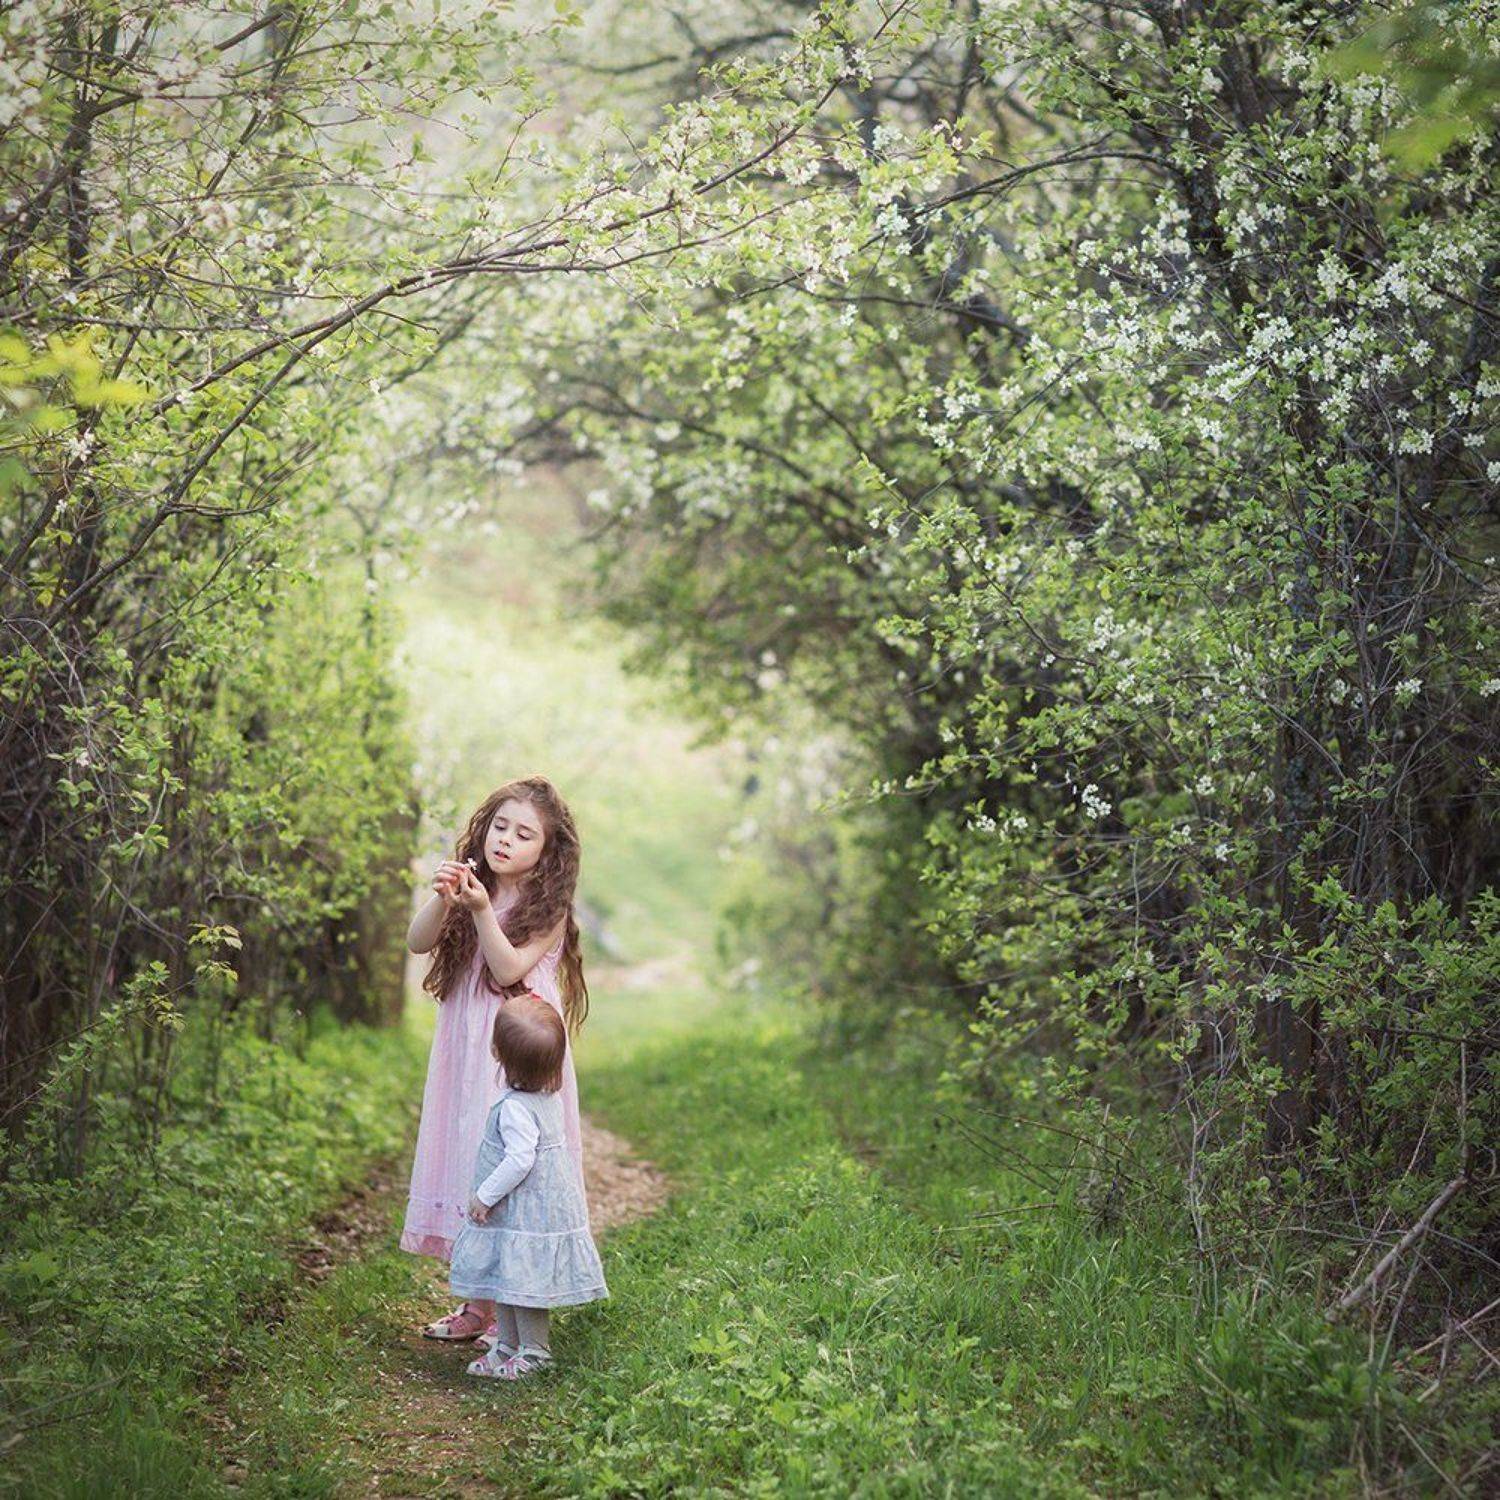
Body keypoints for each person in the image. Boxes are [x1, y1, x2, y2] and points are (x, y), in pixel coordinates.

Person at [401, 775, 591, 1350]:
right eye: (500, 826)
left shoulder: (547, 907)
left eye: (524, 834)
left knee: (510, 1162)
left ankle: (511, 1309)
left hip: (515, 1047)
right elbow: (417, 942)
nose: (506, 839)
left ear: (547, 851)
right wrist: (444, 896)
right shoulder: (471, 885)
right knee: (469, 1150)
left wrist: (483, 909)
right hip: (466, 1044)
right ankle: (477, 1304)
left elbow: (508, 969)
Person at [449, 995, 608, 1379]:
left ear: (496, 1052)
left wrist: (484, 1196)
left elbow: (519, 1160)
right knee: (506, 1277)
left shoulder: (515, 1109)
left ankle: (535, 1351)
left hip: (523, 1212)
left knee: (524, 1281)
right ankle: (506, 1345)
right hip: (528, 1212)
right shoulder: (546, 1098)